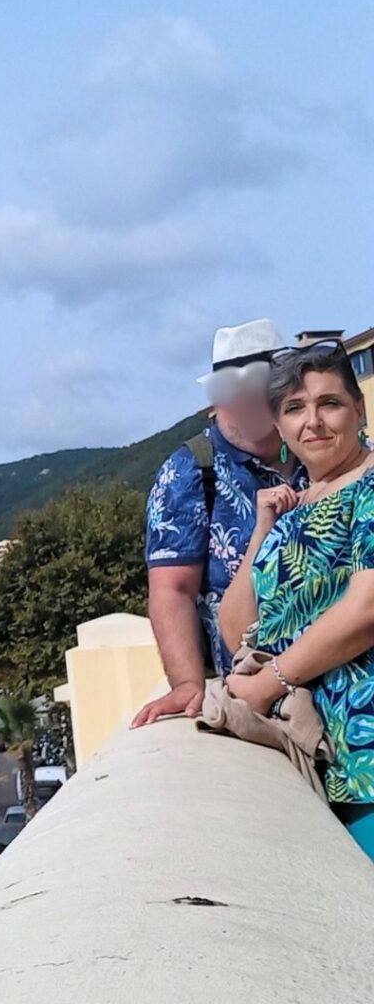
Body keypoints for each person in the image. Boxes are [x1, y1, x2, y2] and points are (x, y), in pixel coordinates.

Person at [217, 339, 374, 859]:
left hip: (366, 756)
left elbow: (366, 610)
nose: (314, 422)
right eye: (295, 408)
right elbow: (236, 627)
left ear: (359, 410)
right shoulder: (293, 508)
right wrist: (264, 529)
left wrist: (266, 684)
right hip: (321, 760)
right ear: (281, 429)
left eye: (330, 403)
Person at [133, 319, 304, 728]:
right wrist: (188, 682)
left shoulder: (318, 450)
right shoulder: (190, 471)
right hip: (255, 692)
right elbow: (172, 590)